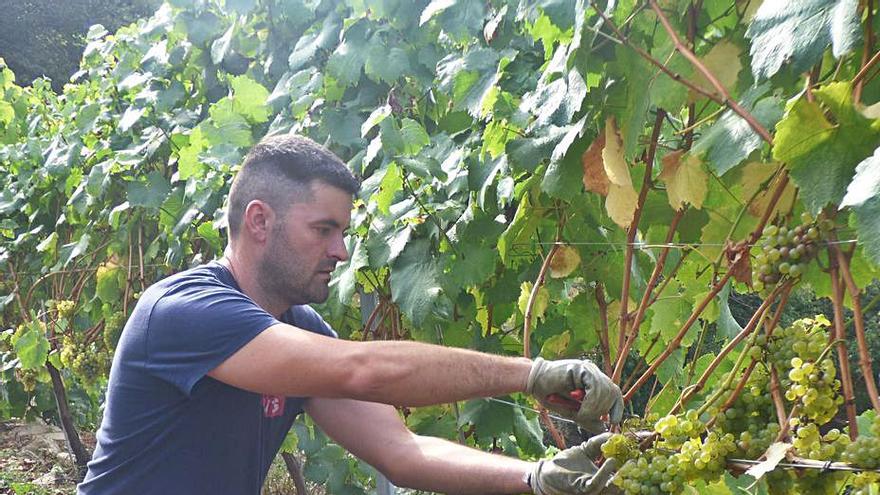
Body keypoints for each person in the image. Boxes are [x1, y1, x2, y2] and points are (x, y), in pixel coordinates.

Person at [77, 134, 624, 495]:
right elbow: (363, 370)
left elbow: (402, 451)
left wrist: (537, 478)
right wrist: (531, 374)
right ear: (260, 221)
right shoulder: (185, 312)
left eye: (342, 232)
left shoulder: (300, 329)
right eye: (323, 229)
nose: (341, 250)